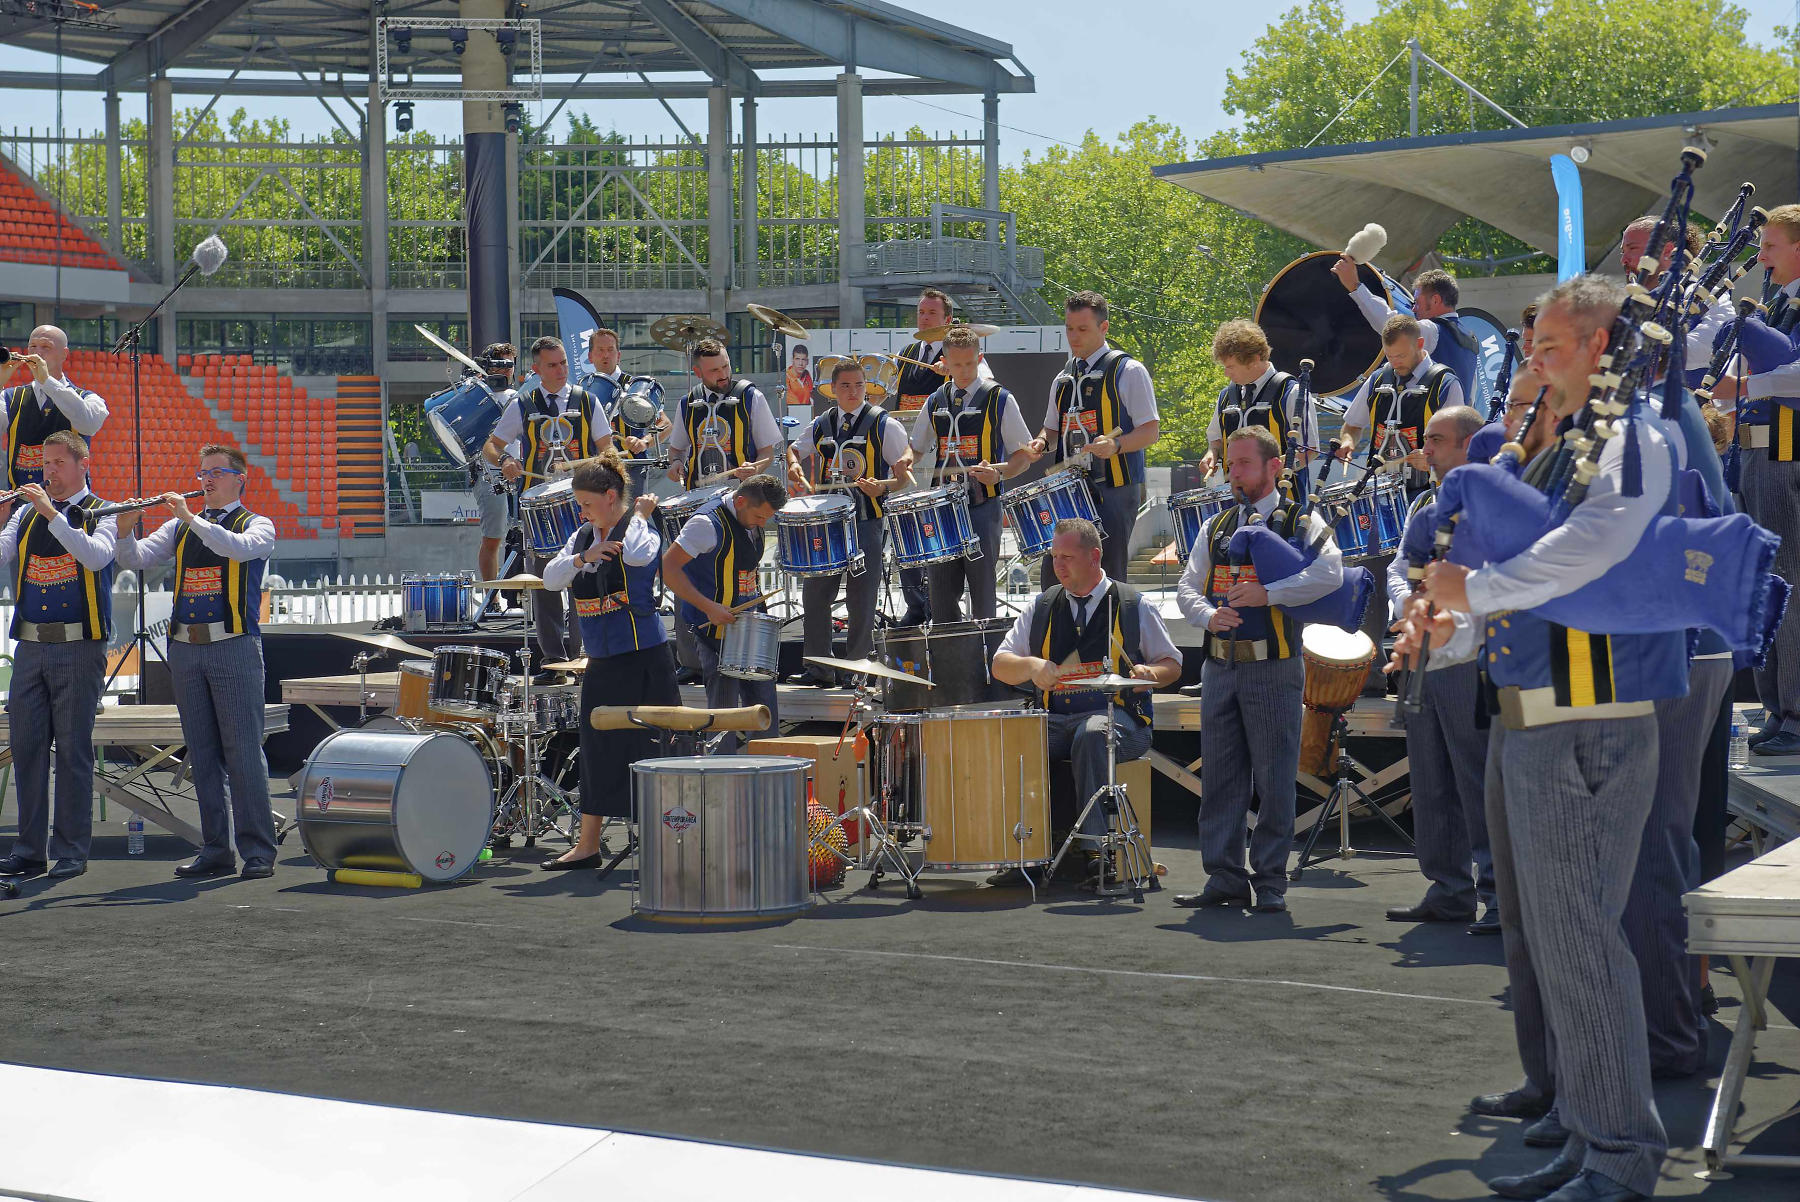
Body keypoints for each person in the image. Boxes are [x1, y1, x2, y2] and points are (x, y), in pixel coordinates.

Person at [1396, 275, 1683, 1202]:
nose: (1531, 359)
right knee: (1556, 944)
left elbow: (1591, 550)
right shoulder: (1558, 451)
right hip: (1536, 723)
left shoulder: (1634, 437)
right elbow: (1522, 584)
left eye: (1550, 344)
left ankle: (1621, 1158)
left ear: (1602, 346)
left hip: (1587, 727)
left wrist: (1469, 593)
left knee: (1583, 944)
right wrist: (1456, 621)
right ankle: (1593, 1134)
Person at [1173, 425, 1344, 914]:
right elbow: (1188, 588)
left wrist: (1270, 594)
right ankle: (1224, 876)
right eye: (1230, 465)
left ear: (1275, 467)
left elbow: (1330, 573)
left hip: (1275, 667)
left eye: (1244, 464)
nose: (1234, 474)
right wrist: (1208, 615)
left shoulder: (1300, 520)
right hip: (1220, 668)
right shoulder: (1216, 525)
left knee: (1274, 779)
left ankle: (1270, 880)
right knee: (1222, 779)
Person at [115, 444, 279, 880]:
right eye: (202, 471)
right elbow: (132, 559)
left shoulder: (258, 525)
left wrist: (190, 518)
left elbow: (237, 549)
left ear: (240, 479)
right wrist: (124, 529)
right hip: (186, 647)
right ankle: (216, 848)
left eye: (216, 473)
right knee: (202, 753)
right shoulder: (178, 528)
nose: (206, 479)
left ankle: (259, 850)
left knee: (243, 751)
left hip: (234, 645)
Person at [991, 518, 1182, 881]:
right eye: (1054, 557)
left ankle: (1098, 850)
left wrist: (1148, 675)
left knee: (1094, 732)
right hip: (1057, 718)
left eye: (1067, 557)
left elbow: (1172, 664)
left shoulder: (1132, 605)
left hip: (1123, 722)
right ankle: (1024, 850)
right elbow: (1000, 664)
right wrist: (1032, 666)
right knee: (1018, 738)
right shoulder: (1041, 606)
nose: (1057, 566)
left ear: (1094, 556)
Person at [1383, 406, 1496, 934]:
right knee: (1430, 779)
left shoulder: (1491, 506)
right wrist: (1408, 604)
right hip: (1424, 656)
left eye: (1437, 440)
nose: (1425, 449)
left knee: (1476, 781)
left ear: (1470, 446)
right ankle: (1448, 888)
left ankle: (1497, 894)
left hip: (1469, 658)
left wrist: (1443, 610)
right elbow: (1398, 565)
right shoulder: (1426, 503)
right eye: (1426, 439)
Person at [539, 450, 675, 870]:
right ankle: (588, 846)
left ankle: (668, 838)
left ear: (612, 496)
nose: (582, 512)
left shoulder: (641, 530)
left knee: (656, 746)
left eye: (587, 504)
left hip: (645, 659)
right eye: (579, 504)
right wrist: (585, 557)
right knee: (596, 750)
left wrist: (638, 515)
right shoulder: (580, 538)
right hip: (602, 661)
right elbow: (550, 577)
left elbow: (636, 556)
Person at [0, 431, 116, 882]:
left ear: (83, 463)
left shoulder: (103, 512)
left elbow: (95, 558)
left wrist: (53, 515)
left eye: (58, 463)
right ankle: (29, 850)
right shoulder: (26, 514)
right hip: (30, 646)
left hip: (79, 646)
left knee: (72, 751)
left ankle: (70, 849)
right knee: (27, 750)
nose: (48, 472)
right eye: (44, 464)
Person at [1705, 203, 1800, 753]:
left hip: (1789, 461)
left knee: (1788, 584)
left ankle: (1794, 712)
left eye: (1770, 247)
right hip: (1761, 460)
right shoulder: (1780, 301)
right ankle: (1776, 704)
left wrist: (1744, 391)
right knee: (1769, 583)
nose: (1760, 257)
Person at [785, 358, 913, 685]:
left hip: (867, 521)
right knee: (815, 594)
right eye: (845, 385)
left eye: (859, 385)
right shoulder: (822, 423)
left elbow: (903, 478)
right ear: (833, 391)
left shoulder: (885, 424)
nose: (853, 391)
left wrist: (881, 486)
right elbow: (794, 451)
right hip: (828, 526)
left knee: (861, 597)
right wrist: (794, 466)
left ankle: (857, 669)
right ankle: (819, 669)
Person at [484, 335, 611, 662]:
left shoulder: (587, 401)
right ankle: (553, 659)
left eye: (564, 363)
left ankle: (585, 656)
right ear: (536, 369)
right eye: (552, 365)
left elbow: (607, 448)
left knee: (583, 583)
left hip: (582, 506)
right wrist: (506, 461)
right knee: (544, 586)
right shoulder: (523, 404)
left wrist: (600, 467)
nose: (560, 370)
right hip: (539, 507)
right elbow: (491, 446)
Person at [1029, 291, 1161, 584]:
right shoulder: (1062, 378)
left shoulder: (1129, 370)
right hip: (1069, 491)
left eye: (1083, 329)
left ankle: (1110, 629)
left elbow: (1150, 431)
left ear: (1104, 328)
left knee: (1107, 574)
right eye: (1069, 329)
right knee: (1055, 576)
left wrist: (1116, 444)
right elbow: (1051, 430)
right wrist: (1039, 443)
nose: (1074, 337)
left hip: (1114, 488)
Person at [906, 325, 1035, 623]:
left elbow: (1023, 457)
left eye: (969, 363)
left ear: (980, 359)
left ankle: (987, 659)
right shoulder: (935, 400)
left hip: (982, 506)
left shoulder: (1001, 399)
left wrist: (999, 474)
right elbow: (916, 447)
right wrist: (904, 461)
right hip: (943, 510)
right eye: (956, 364)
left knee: (982, 589)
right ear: (945, 362)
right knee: (941, 591)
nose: (963, 370)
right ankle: (951, 658)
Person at [661, 474, 788, 751]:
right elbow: (668, 568)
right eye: (758, 516)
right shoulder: (705, 524)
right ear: (740, 501)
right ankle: (722, 780)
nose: (762, 524)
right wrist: (709, 607)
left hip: (748, 627)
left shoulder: (750, 515)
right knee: (722, 717)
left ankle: (769, 776)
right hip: (713, 630)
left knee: (765, 711)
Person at [889, 289, 993, 626]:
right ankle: (915, 604)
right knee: (907, 526)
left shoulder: (962, 355)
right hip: (910, 447)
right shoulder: (908, 353)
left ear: (948, 320)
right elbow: (893, 395)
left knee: (936, 529)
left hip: (943, 454)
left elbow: (987, 385)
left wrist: (955, 373)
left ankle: (943, 605)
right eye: (921, 312)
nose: (924, 318)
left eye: (932, 313)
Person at [1332, 312, 1466, 497]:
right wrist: (1348, 441)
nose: (1395, 363)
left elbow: (1458, 447)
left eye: (1401, 355)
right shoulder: (1377, 379)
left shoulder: (1446, 385)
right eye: (1389, 356)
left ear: (1419, 344)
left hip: (1427, 495)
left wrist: (1433, 459)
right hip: (1378, 492)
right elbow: (1352, 426)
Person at [1332, 260, 1480, 396]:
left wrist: (1355, 286)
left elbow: (1391, 326)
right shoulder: (1472, 341)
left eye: (1417, 303)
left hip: (1432, 423)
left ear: (1435, 300)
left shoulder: (1432, 330)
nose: (1414, 309)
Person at [1200, 318, 1317, 482]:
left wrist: (1268, 471)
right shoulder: (1226, 396)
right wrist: (1212, 453)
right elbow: (1217, 440)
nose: (1226, 374)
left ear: (1254, 360)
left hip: (1284, 503)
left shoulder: (1292, 392)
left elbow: (1309, 450)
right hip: (1238, 502)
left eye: (1231, 367)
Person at [0, 324, 108, 493]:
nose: (37, 353)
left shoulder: (88, 399)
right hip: (22, 503)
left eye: (46, 347)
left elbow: (88, 424)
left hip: (69, 504)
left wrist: (47, 382)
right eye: (32, 347)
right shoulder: (9, 397)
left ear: (64, 354)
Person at [666, 338, 782, 489]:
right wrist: (676, 463)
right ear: (698, 372)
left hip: (742, 494)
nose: (723, 374)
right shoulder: (687, 403)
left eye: (726, 366)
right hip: (698, 493)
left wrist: (754, 469)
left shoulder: (751, 397)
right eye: (714, 370)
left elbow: (767, 453)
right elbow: (676, 449)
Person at [472, 342, 520, 584]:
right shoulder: (476, 394)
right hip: (489, 472)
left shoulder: (520, 397)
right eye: (499, 364)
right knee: (492, 538)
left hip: (521, 470)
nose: (505, 370)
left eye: (509, 364)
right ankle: (491, 596)